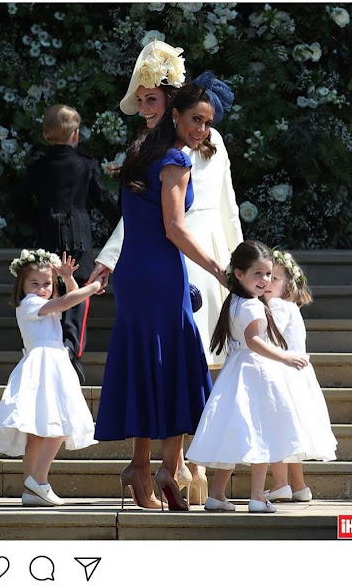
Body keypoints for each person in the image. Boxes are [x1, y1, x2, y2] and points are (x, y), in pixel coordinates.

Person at [89, 41, 242, 505]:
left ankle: (148, 468)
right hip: (161, 269)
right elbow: (175, 229)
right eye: (196, 119)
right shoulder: (174, 160)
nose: (202, 129)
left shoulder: (141, 150)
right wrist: (221, 270)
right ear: (176, 114)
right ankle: (160, 471)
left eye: (207, 122)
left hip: (139, 270)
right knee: (175, 363)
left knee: (150, 362)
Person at [186, 240, 316, 513]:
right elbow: (254, 340)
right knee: (261, 433)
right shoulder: (253, 305)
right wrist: (285, 356)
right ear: (239, 274)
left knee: (233, 433)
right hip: (257, 372)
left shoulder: (235, 300)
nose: (265, 280)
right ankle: (257, 496)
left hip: (235, 372)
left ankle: (217, 494)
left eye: (268, 274)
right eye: (258, 273)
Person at [13, 104, 121, 382]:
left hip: (48, 234)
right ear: (75, 134)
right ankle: (71, 351)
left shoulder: (38, 166)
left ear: (46, 135)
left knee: (48, 291)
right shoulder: (86, 164)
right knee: (78, 293)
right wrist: (122, 222)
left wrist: (33, 222)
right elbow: (103, 200)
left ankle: (51, 348)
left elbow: (19, 201)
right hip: (79, 236)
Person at [0, 250, 103, 507]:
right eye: (35, 283)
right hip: (44, 365)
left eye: (47, 284)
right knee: (60, 425)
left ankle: (31, 489)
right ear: (23, 285)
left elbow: (71, 300)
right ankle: (39, 479)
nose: (41, 289)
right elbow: (65, 303)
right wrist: (93, 286)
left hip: (53, 363)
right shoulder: (30, 304)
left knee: (39, 434)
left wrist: (67, 278)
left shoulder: (44, 303)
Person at [262, 250, 337, 502]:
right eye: (266, 276)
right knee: (291, 434)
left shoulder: (277, 306)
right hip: (297, 377)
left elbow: (268, 339)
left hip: (283, 375)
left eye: (275, 278)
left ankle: (281, 483)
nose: (268, 282)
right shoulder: (290, 307)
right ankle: (299, 485)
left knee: (278, 431)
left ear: (288, 285)